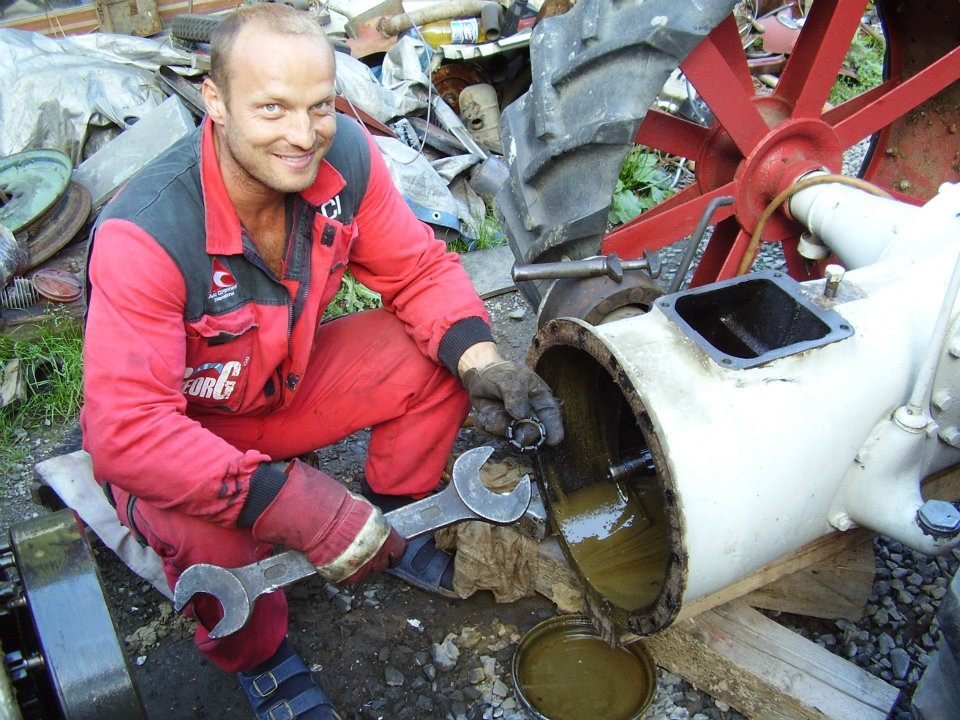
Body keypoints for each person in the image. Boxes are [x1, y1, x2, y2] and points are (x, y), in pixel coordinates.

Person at [80, 4, 563, 719]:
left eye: (319, 105)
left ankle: (398, 516)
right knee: (205, 535)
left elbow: (421, 274)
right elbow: (127, 434)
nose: (302, 136)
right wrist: (300, 505)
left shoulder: (344, 162)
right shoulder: (146, 233)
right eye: (271, 108)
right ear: (214, 101)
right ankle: (260, 656)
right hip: (186, 436)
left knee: (433, 353)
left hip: (281, 392)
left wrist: (485, 364)